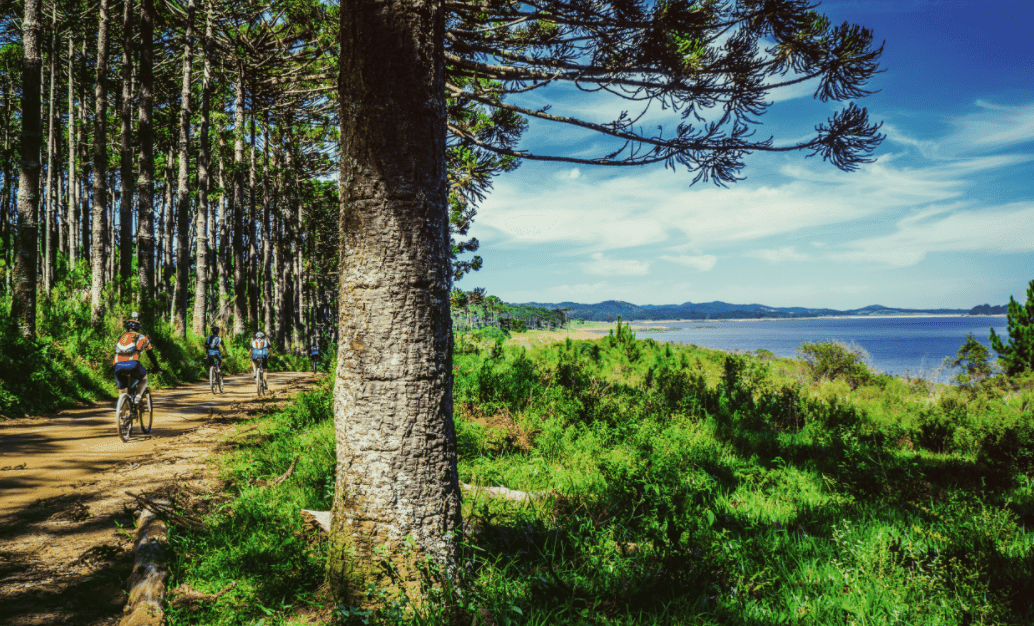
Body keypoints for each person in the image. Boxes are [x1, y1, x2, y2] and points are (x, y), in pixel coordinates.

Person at [113, 312, 163, 402]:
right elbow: (150, 354)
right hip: (133, 364)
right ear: (139, 329)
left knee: (122, 392)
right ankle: (138, 397)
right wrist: (156, 367)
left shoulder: (121, 337)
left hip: (117, 365)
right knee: (143, 378)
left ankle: (122, 411)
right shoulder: (142, 338)